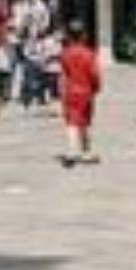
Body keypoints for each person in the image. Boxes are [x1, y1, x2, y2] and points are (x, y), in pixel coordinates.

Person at [60, 20, 102, 167]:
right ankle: (86, 152)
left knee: (71, 122)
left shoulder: (65, 54)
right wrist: (96, 87)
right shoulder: (89, 54)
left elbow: (64, 74)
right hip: (86, 91)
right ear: (84, 36)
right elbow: (94, 74)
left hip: (70, 91)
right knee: (85, 122)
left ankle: (71, 152)